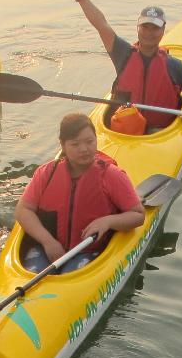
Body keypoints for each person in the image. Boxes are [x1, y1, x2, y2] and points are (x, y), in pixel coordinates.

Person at [66, 0, 182, 134]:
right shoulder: (122, 54)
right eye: (145, 27)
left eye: (155, 28)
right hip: (122, 128)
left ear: (163, 31)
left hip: (159, 132)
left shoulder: (173, 65)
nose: (149, 33)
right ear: (137, 28)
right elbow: (101, 25)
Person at [15, 112, 145, 273]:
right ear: (62, 145)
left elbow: (138, 215)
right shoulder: (46, 173)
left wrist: (108, 221)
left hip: (89, 251)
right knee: (34, 274)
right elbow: (23, 210)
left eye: (90, 141)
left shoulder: (112, 175)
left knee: (70, 274)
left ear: (96, 140)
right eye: (75, 144)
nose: (84, 149)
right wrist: (48, 241)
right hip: (47, 247)